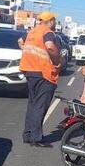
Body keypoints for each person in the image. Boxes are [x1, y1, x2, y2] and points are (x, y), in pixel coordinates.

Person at [18, 11, 62, 147]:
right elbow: (49, 46)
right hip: (43, 72)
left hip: (29, 70)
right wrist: (57, 60)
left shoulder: (32, 32)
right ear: (50, 21)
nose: (55, 23)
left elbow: (20, 41)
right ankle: (36, 138)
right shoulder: (47, 32)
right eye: (54, 20)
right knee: (40, 105)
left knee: (33, 104)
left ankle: (28, 134)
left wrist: (29, 55)